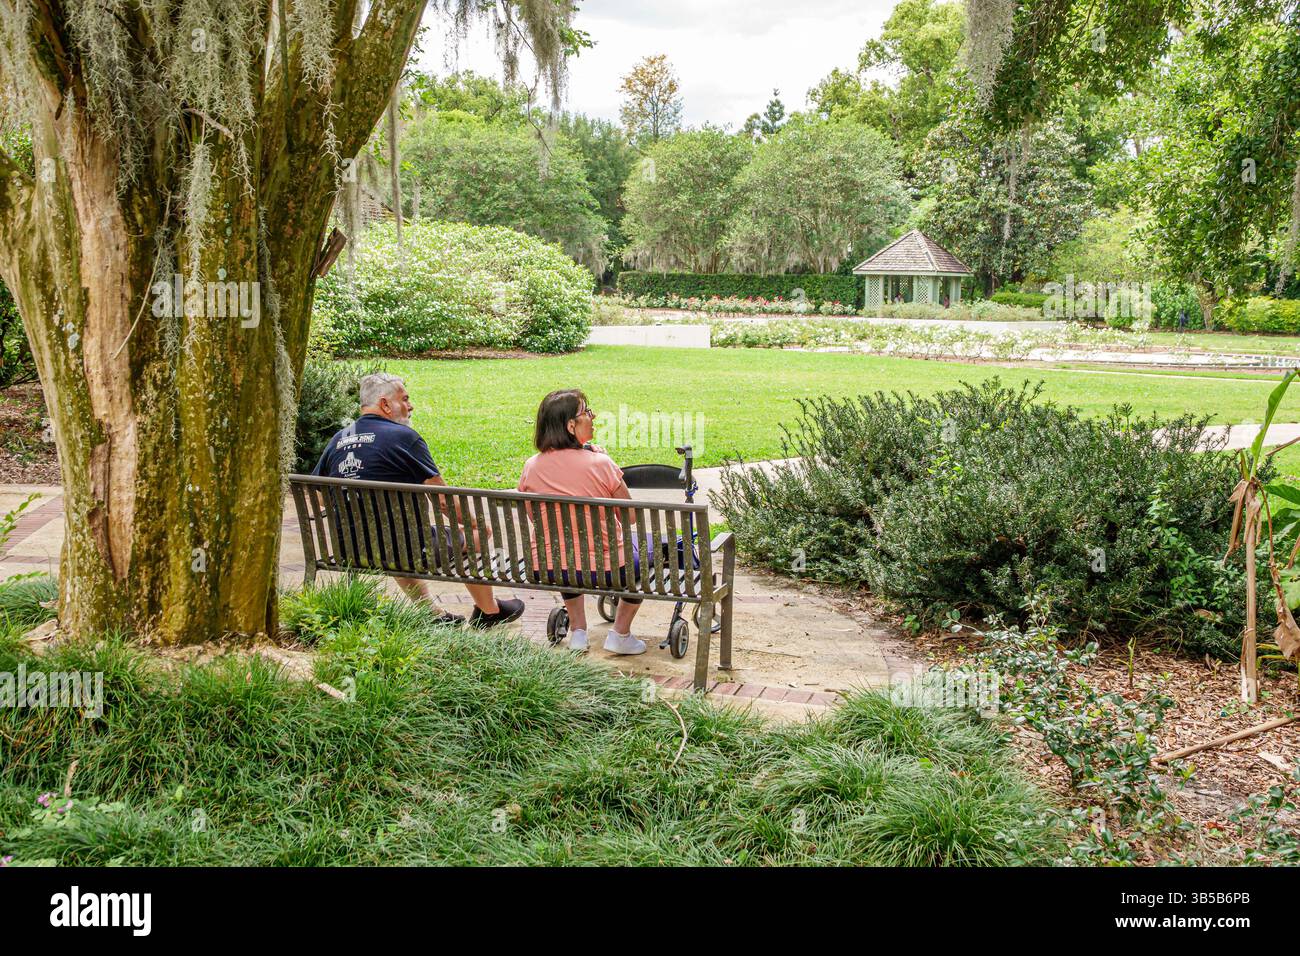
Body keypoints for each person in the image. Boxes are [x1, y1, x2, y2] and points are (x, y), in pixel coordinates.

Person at [313, 372, 524, 630]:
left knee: (394, 539)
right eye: (405, 399)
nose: (410, 406)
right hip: (406, 549)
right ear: (385, 404)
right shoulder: (404, 438)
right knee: (473, 534)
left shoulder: (339, 439)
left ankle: (430, 612)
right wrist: (475, 524)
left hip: (352, 549)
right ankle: (489, 611)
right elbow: (443, 501)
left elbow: (319, 495)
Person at [518, 389, 645, 655]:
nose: (593, 415)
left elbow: (535, 517)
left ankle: (578, 631)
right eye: (586, 411)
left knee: (566, 554)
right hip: (609, 569)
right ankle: (620, 634)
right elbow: (630, 516)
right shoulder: (601, 463)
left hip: (551, 568)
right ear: (571, 425)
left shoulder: (532, 466)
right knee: (642, 559)